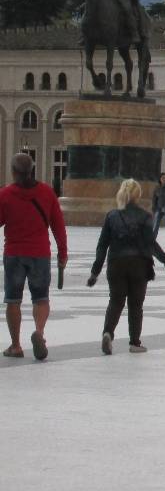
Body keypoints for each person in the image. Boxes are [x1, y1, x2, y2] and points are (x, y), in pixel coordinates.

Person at [88, 179, 165, 354]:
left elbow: (102, 245)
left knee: (116, 301)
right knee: (136, 305)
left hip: (116, 263)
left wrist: (95, 272)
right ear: (138, 195)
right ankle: (135, 343)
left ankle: (108, 333)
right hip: (139, 264)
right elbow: (151, 244)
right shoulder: (145, 216)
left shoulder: (112, 216)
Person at [1, 153, 67, 360]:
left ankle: (15, 346)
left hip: (14, 253)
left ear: (13, 172)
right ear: (32, 170)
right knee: (41, 298)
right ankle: (39, 332)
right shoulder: (47, 193)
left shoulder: (5, 194)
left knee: (13, 300)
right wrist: (63, 253)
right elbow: (58, 225)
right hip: (40, 253)